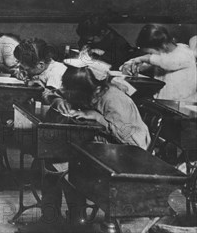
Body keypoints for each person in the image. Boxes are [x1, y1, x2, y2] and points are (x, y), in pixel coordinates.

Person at [37, 61, 150, 225]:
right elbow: (51, 93)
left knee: (67, 167)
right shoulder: (87, 89)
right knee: (49, 158)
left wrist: (99, 118)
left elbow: (136, 144)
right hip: (97, 149)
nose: (71, 95)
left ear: (92, 88)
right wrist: (57, 100)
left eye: (73, 92)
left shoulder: (113, 99)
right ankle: (52, 217)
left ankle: (77, 218)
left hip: (125, 157)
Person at [121, 24, 197, 101]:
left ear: (163, 46)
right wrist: (132, 65)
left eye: (150, 52)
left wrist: (141, 58)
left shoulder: (185, 53)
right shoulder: (161, 55)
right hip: (163, 101)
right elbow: (148, 64)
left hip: (183, 104)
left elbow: (167, 62)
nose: (150, 55)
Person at [13, 38, 68, 105]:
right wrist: (21, 72)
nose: (25, 71)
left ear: (40, 65)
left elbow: (50, 100)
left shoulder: (56, 72)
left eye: (27, 69)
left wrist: (42, 88)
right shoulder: (40, 68)